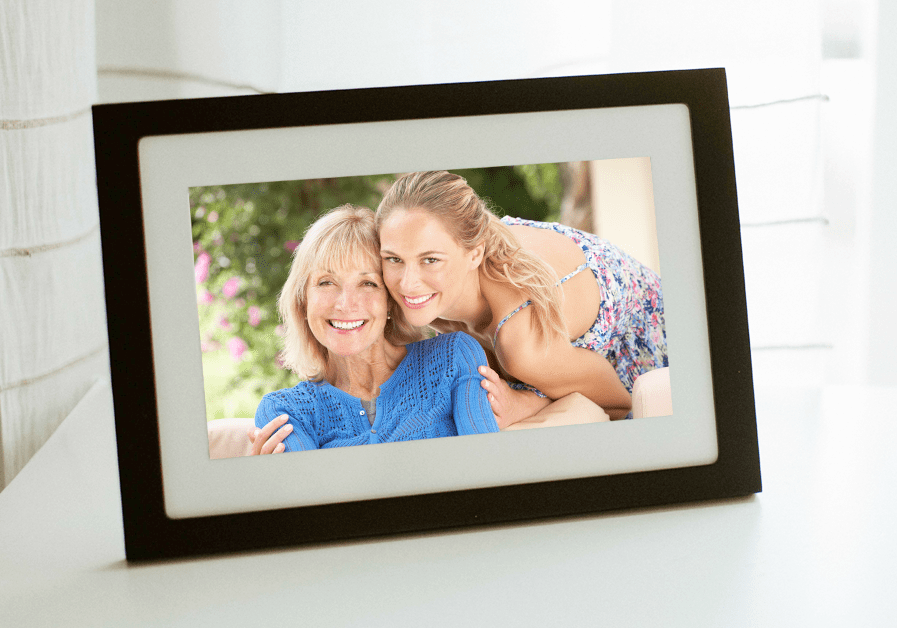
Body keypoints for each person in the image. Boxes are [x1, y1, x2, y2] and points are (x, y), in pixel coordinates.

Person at [375, 170, 667, 426]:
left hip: (666, 345)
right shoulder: (439, 289)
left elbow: (619, 403)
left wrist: (526, 403)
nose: (407, 283)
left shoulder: (522, 343)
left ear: (475, 253)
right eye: (393, 259)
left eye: (430, 260)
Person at [249, 204, 498, 455]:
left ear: (390, 299)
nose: (345, 304)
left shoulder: (452, 358)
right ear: (302, 301)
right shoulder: (284, 412)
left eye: (368, 283)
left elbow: (488, 469)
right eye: (326, 282)